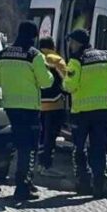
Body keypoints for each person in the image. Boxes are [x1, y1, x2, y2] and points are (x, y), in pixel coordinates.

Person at [0, 21, 54, 202]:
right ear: (34, 36)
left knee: (19, 145)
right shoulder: (34, 55)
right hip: (29, 109)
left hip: (10, 106)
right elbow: (46, 82)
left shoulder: (2, 54)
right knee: (29, 149)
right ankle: (23, 186)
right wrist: (49, 73)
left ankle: (24, 182)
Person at [63, 28, 107, 198]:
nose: (70, 45)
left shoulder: (76, 60)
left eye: (71, 41)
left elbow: (69, 86)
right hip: (101, 110)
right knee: (98, 148)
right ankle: (99, 184)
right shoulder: (105, 56)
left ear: (77, 43)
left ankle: (83, 183)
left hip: (81, 112)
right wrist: (103, 82)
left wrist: (66, 82)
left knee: (79, 148)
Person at [36, 36, 67, 176]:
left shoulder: (35, 57)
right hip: (54, 104)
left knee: (41, 136)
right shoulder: (56, 60)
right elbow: (67, 80)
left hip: (38, 104)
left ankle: (39, 164)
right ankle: (47, 166)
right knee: (51, 136)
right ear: (53, 46)